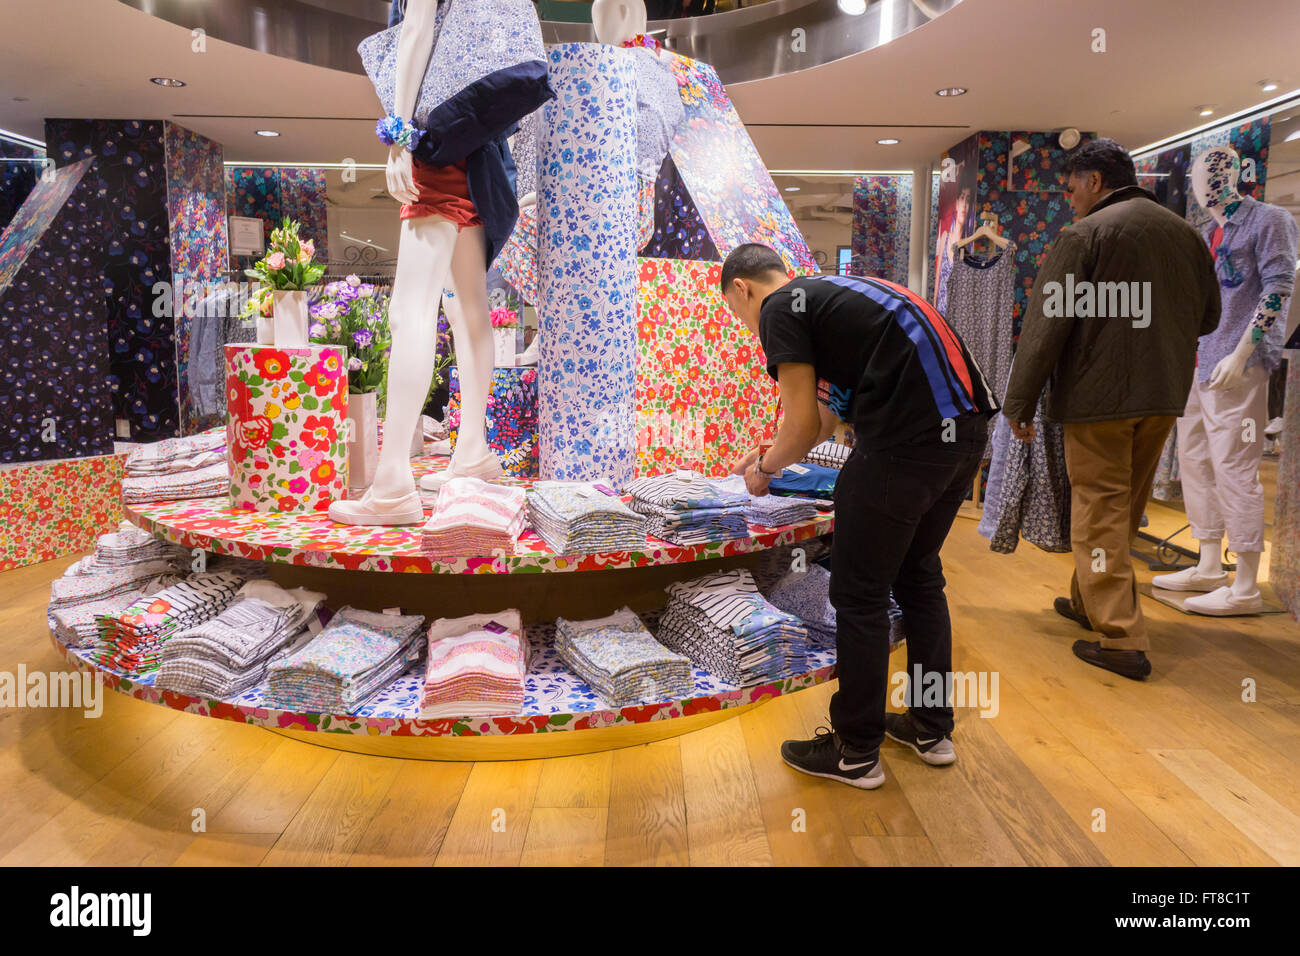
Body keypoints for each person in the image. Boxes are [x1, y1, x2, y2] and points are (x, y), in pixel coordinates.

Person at [720, 244, 997, 789]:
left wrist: (763, 469)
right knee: (919, 578)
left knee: (859, 591)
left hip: (904, 442)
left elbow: (799, 429)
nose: (747, 323)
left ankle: (854, 750)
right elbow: (822, 421)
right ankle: (929, 725)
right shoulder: (835, 296)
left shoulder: (780, 307)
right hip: (963, 436)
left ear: (742, 289)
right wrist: (769, 452)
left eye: (736, 313)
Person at [1000, 138, 1220, 681]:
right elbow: (1210, 317)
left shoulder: (1085, 234)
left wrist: (1019, 401)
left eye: (1070, 186)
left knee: (1099, 508)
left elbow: (1046, 326)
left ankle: (1122, 638)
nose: (1068, 197)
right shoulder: (1185, 234)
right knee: (1122, 507)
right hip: (1164, 394)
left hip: (1100, 398)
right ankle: (1088, 600)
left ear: (1094, 181)